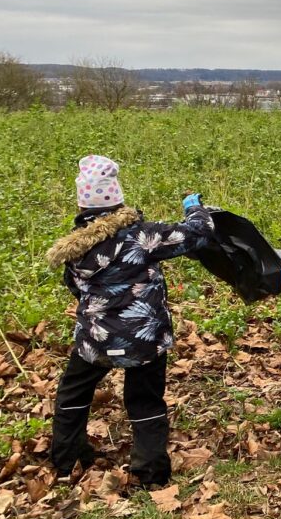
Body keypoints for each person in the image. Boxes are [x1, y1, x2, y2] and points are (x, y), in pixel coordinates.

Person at [45, 156, 213, 486]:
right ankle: (150, 474)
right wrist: (195, 207)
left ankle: (65, 463)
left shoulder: (74, 248)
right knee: (145, 399)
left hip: (96, 338)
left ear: (83, 204)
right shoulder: (142, 237)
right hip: (143, 338)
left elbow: (75, 288)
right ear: (118, 198)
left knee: (72, 394)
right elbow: (199, 233)